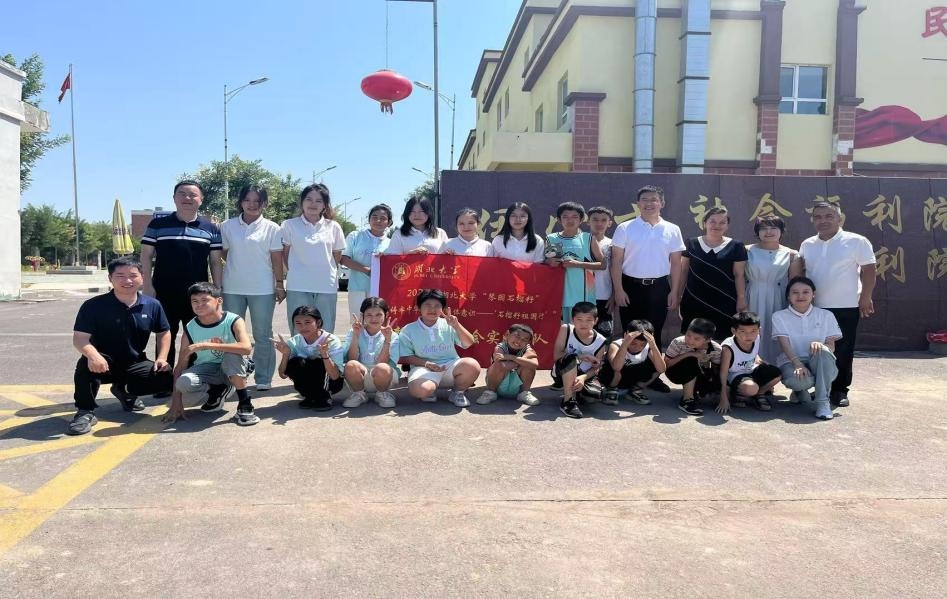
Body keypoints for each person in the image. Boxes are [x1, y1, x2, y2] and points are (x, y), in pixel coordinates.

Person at [68, 257, 173, 436]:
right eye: (120, 276)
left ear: (142, 277)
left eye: (133, 275)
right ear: (110, 278)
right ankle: (85, 411)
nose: (127, 280)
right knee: (85, 365)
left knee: (165, 377)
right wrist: (93, 355)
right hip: (103, 362)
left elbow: (164, 332)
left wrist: (162, 358)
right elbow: (80, 339)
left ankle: (124, 391)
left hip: (134, 361)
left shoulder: (152, 305)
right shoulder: (94, 306)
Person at [799, 202, 876, 408]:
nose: (823, 220)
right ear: (812, 220)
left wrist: (866, 297)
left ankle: (840, 390)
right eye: (818, 217)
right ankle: (821, 387)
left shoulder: (856, 241)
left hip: (846, 305)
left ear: (839, 218)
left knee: (843, 349)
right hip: (815, 307)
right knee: (817, 349)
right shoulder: (807, 244)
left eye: (829, 216)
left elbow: (869, 270)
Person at [140, 180, 223, 372]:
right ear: (174, 198)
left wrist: (218, 290)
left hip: (198, 295)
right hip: (164, 291)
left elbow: (215, 262)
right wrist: (147, 285)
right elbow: (145, 256)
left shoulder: (211, 229)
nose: (187, 198)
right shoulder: (157, 225)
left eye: (193, 195)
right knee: (164, 334)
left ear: (201, 199)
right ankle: (163, 377)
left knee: (195, 335)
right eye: (182, 194)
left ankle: (192, 376)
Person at [609, 185, 685, 393]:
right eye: (644, 199)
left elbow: (676, 263)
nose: (649, 203)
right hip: (630, 287)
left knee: (655, 333)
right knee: (630, 334)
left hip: (659, 287)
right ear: (638, 203)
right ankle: (625, 376)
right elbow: (616, 261)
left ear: (662, 203)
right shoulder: (625, 228)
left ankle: (652, 377)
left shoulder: (672, 229)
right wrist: (618, 290)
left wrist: (674, 291)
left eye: (654, 199)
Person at [163, 283, 258, 426]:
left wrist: (206, 345)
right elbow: (181, 365)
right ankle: (217, 391)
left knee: (231, 356)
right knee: (183, 383)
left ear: (219, 301)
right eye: (195, 301)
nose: (199, 305)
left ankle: (245, 404)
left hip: (231, 365)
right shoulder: (190, 327)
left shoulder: (233, 320)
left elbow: (246, 348)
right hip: (207, 369)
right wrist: (176, 403)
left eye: (204, 300)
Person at [219, 185, 284, 392]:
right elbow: (223, 254)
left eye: (257, 201)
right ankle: (234, 375)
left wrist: (279, 284)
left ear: (264, 203)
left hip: (263, 289)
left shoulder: (273, 228)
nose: (252, 204)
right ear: (241, 202)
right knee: (232, 334)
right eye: (247, 200)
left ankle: (263, 377)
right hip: (232, 287)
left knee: (262, 334)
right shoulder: (227, 226)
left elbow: (276, 259)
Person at [279, 183, 346, 334]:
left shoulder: (333, 226)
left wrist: (323, 269)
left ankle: (323, 351)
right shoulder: (289, 225)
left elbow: (336, 255)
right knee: (299, 330)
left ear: (325, 205)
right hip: (298, 285)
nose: (313, 204)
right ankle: (299, 352)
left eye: (318, 201)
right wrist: (298, 270)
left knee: (325, 329)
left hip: (326, 285)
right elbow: (285, 254)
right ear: (302, 202)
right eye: (309, 199)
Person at [771, 277, 841, 420]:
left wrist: (822, 346)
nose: (800, 296)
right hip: (791, 362)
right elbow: (784, 344)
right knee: (800, 381)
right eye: (795, 292)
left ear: (813, 294)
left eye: (805, 292)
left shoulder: (826, 315)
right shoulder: (779, 316)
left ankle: (823, 403)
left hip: (819, 362)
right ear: (788, 296)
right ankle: (799, 390)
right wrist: (798, 364)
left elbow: (831, 346)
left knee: (823, 351)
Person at [398, 289, 480, 407]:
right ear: (418, 307)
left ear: (443, 309)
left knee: (472, 365)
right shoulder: (408, 330)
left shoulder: (449, 324)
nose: (432, 309)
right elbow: (406, 356)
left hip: (450, 367)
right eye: (428, 305)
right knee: (419, 390)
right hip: (424, 369)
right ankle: (430, 390)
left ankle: (458, 392)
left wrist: (456, 326)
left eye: (437, 306)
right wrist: (427, 364)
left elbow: (468, 343)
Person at [679, 206, 748, 341]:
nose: (717, 225)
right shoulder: (692, 243)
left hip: (724, 300)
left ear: (727, 225)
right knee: (693, 339)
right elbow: (684, 271)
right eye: (712, 221)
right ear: (705, 223)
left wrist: (741, 298)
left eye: (722, 222)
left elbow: (739, 275)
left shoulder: (736, 246)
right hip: (694, 299)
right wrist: (678, 295)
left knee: (721, 340)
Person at [745, 216, 803, 364]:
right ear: (757, 232)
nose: (768, 232)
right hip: (752, 295)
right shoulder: (746, 250)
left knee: (777, 331)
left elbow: (795, 283)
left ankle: (778, 368)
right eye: (763, 228)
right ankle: (751, 366)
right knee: (751, 329)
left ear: (781, 231)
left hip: (779, 297)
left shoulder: (791, 254)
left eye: (773, 228)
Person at [275, 306, 345, 411]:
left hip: (332, 382)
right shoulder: (294, 342)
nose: (303, 327)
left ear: (318, 322)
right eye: (298, 323)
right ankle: (310, 396)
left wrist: (325, 355)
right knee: (295, 362)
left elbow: (335, 376)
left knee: (318, 362)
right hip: (309, 381)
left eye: (307, 322)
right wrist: (286, 354)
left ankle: (324, 396)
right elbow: (283, 375)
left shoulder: (331, 340)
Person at [544, 202, 604, 323]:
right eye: (565, 217)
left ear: (581, 220)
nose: (570, 220)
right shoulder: (552, 238)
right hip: (559, 295)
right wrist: (549, 262)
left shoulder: (588, 238)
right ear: (559, 220)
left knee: (581, 329)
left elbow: (603, 264)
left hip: (584, 296)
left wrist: (577, 264)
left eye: (574, 217)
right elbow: (544, 264)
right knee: (562, 330)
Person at [717, 311, 782, 414]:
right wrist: (723, 398)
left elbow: (753, 352)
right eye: (743, 331)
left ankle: (759, 394)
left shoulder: (757, 338)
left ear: (759, 330)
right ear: (734, 331)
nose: (749, 335)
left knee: (776, 373)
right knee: (751, 388)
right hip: (735, 375)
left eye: (753, 331)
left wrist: (758, 357)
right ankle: (735, 394)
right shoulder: (728, 347)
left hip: (751, 369)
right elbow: (723, 373)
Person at [341, 297, 400, 409]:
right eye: (369, 315)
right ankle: (359, 394)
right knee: (351, 365)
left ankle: (382, 394)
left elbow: (383, 362)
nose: (374, 319)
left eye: (378, 315)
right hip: (360, 376)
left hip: (384, 377)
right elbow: (351, 358)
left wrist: (387, 340)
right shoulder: (354, 331)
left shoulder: (392, 335)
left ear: (386, 315)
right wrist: (356, 335)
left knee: (382, 367)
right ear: (362, 315)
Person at [551, 301, 608, 419]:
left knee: (592, 397)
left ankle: (574, 391)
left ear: (595, 321)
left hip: (584, 374)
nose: (584, 324)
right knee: (571, 358)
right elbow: (557, 356)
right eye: (579, 319)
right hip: (562, 371)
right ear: (573, 320)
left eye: (588, 320)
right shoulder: (566, 329)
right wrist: (580, 356)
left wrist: (583, 377)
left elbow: (596, 367)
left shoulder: (600, 341)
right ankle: (568, 402)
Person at [340, 204, 393, 315]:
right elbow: (344, 259)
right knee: (358, 320)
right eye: (374, 217)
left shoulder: (391, 243)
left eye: (383, 218)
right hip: (357, 288)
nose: (378, 220)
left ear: (389, 222)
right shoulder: (355, 236)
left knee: (378, 321)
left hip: (382, 290)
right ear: (369, 220)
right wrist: (367, 270)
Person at [599, 319, 666, 407]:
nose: (637, 347)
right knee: (617, 369)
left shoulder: (648, 347)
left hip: (632, 379)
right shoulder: (616, 345)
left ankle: (635, 391)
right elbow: (616, 367)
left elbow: (661, 369)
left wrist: (653, 345)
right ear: (625, 335)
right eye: (633, 343)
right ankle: (611, 390)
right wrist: (625, 344)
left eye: (642, 345)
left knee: (656, 368)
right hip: (613, 378)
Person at [663, 318, 722, 417]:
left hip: (698, 373)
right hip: (676, 373)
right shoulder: (678, 342)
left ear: (708, 340)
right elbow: (666, 364)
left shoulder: (716, 349)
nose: (690, 340)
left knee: (715, 381)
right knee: (691, 360)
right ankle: (687, 401)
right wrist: (689, 354)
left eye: (696, 339)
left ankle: (694, 392)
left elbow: (716, 369)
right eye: (688, 335)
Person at [476, 323, 540, 406]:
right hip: (498, 385)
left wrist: (511, 357)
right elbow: (499, 361)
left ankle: (524, 393)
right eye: (517, 336)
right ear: (507, 334)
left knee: (528, 366)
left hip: (518, 388)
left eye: (524, 339)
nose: (519, 341)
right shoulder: (500, 347)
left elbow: (535, 364)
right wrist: (521, 361)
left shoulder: (528, 349)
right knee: (499, 365)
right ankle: (490, 393)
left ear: (528, 342)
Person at [587, 206, 615, 337]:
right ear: (588, 222)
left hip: (605, 296)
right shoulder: (579, 242)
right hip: (581, 295)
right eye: (595, 219)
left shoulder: (613, 244)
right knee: (581, 333)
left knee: (604, 335)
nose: (599, 223)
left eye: (604, 220)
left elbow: (617, 271)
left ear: (610, 223)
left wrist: (614, 295)